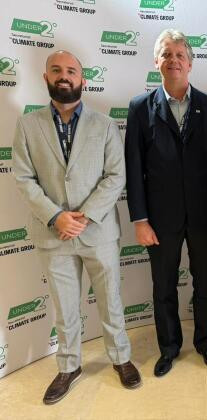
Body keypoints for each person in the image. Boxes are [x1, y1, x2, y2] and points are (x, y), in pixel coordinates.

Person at [12, 50, 141, 405]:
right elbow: (23, 178)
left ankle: (121, 358)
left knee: (111, 300)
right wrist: (56, 217)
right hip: (54, 235)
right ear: (46, 78)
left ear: (83, 80)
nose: (64, 76)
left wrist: (83, 215)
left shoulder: (104, 125)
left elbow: (116, 176)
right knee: (64, 306)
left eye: (71, 71)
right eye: (57, 70)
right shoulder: (28, 124)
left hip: (97, 231)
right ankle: (69, 366)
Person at [125, 29, 207, 377]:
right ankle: (169, 347)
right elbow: (134, 166)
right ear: (157, 62)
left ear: (190, 63)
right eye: (166, 54)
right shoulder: (140, 108)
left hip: (205, 217)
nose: (173, 61)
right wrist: (139, 219)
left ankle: (205, 343)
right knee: (163, 286)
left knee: (206, 285)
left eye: (180, 55)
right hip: (159, 219)